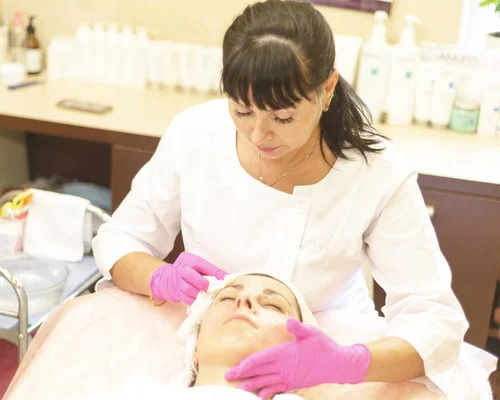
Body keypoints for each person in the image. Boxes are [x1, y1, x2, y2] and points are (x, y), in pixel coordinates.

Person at [92, 0, 468, 395]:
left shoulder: (377, 173)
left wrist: (347, 362)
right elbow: (121, 239)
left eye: (283, 118)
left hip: (327, 333)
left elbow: (435, 319)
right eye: (241, 111)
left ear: (327, 90)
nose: (258, 135)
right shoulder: (195, 133)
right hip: (213, 331)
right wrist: (160, 277)